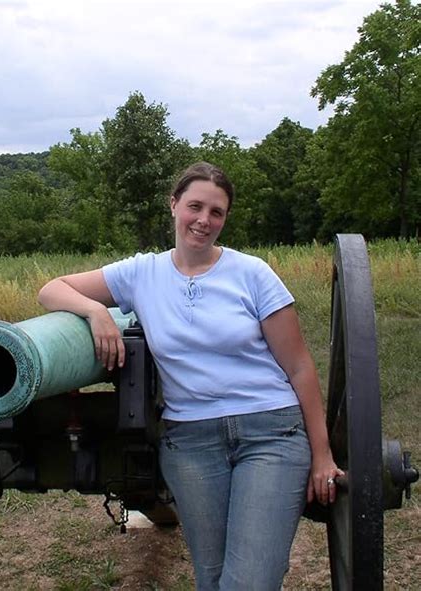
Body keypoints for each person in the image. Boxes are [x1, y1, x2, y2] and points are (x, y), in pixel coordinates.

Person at [38, 162, 343, 591]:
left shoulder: (252, 274)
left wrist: (322, 454)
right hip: (192, 442)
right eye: (194, 206)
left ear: (225, 219)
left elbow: (299, 366)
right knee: (213, 578)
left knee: (250, 581)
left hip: (270, 431)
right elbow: (51, 288)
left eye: (216, 212)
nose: (203, 221)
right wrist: (94, 313)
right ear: (174, 204)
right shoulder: (141, 273)